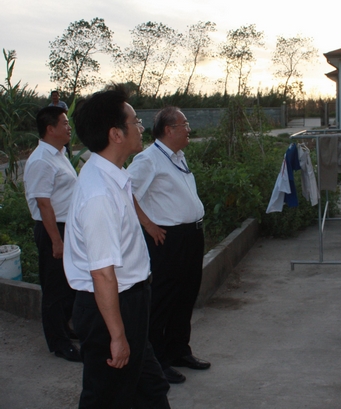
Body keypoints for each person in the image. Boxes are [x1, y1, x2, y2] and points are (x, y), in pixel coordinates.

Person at [63, 85, 170, 408]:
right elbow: (102, 274)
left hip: (128, 301)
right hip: (109, 309)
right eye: (135, 121)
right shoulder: (99, 193)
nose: (141, 128)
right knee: (107, 397)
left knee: (151, 388)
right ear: (116, 134)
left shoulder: (113, 176)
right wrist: (118, 335)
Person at [128, 106, 209, 384]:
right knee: (163, 300)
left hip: (191, 235)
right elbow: (125, 192)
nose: (189, 130)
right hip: (168, 239)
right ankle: (158, 360)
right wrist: (148, 224)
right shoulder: (148, 159)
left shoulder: (178, 156)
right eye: (184, 125)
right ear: (169, 130)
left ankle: (179, 350)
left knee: (186, 296)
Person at [23, 106, 80, 362]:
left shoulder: (59, 154)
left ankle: (64, 329)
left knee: (68, 286)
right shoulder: (41, 160)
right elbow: (43, 203)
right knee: (55, 288)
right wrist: (57, 240)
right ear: (50, 129)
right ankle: (59, 343)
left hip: (67, 227)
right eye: (64, 123)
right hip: (53, 229)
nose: (69, 127)